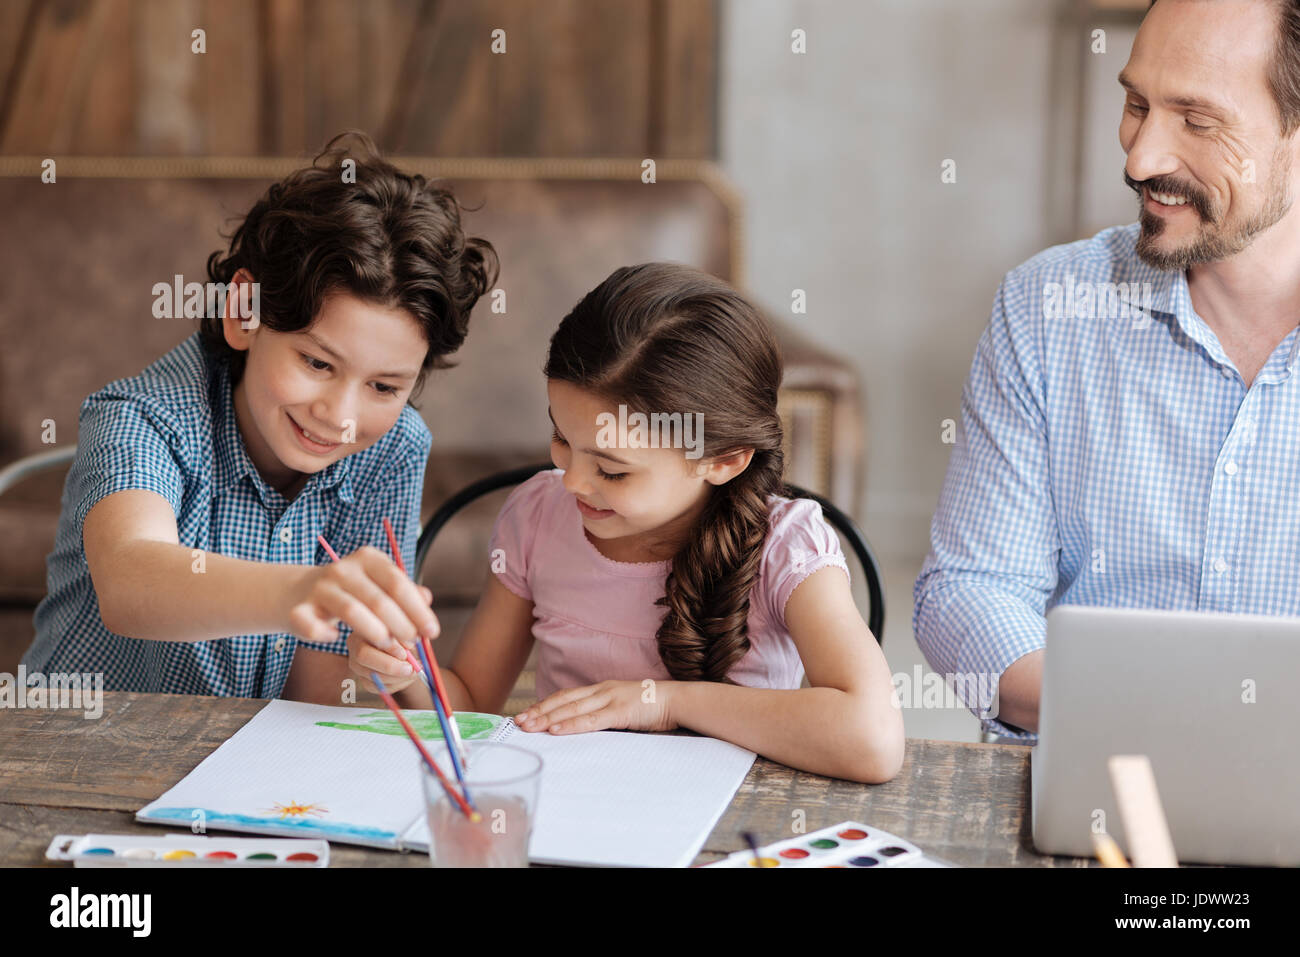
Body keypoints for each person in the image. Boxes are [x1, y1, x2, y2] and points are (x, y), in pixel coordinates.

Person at [352, 263, 904, 783]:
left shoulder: (787, 549)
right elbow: (469, 700)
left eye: (612, 470)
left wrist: (663, 701)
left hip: (730, 821)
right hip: (575, 806)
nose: (570, 482)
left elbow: (873, 740)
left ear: (724, 461)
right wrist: (411, 676)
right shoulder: (538, 516)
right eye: (563, 440)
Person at [915, 0, 1300, 738]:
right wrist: (1160, 720)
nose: (1140, 157)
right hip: (1088, 796)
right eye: (1136, 104)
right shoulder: (1044, 307)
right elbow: (971, 590)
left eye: (1197, 120)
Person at [23, 132, 497, 701]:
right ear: (244, 312)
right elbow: (130, 581)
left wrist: (379, 668)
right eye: (317, 362)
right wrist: (309, 589)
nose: (340, 416)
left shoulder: (393, 446)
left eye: (383, 385)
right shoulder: (140, 416)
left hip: (231, 766)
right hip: (71, 755)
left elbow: (311, 681)